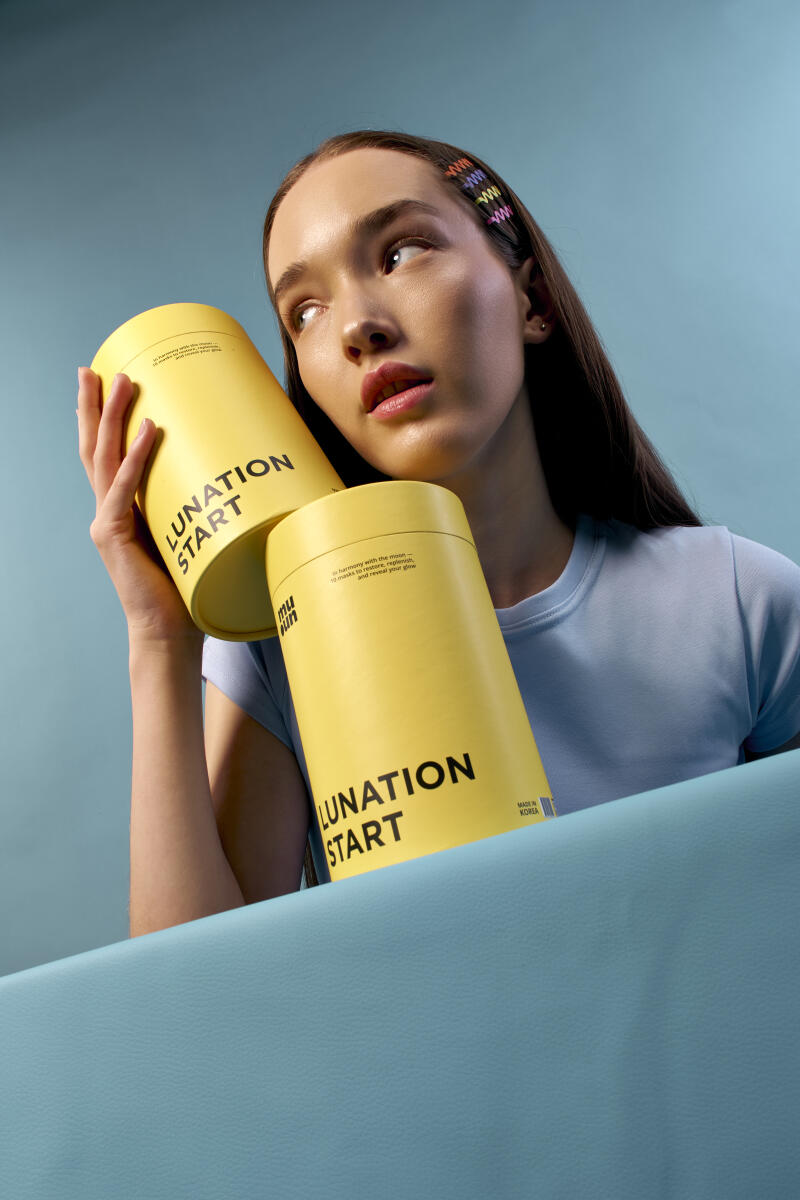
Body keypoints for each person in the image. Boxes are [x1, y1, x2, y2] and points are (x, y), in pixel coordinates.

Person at [77, 130, 800, 932]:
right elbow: (195, 1005)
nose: (357, 327)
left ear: (532, 302)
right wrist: (159, 642)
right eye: (303, 311)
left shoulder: (739, 597)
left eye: (400, 252)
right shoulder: (274, 647)